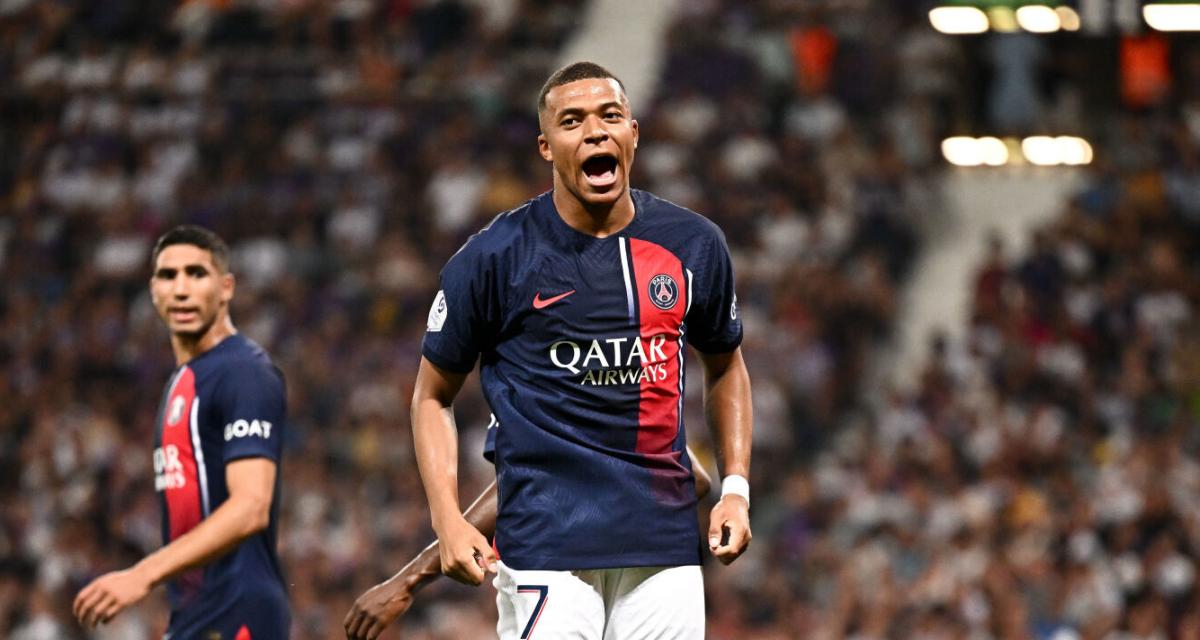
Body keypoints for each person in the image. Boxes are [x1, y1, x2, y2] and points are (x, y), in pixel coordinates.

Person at [409, 61, 753, 639]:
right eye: (572, 121)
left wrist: (735, 490)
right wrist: (447, 520)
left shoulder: (694, 244)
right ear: (546, 147)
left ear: (633, 133)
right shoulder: (494, 258)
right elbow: (431, 396)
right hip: (546, 547)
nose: (595, 132)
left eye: (609, 116)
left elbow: (726, 366)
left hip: (663, 545)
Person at [73, 225, 290, 639]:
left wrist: (143, 574)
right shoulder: (183, 380)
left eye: (196, 273)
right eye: (168, 276)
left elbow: (251, 506)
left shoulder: (243, 372)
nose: (182, 289)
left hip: (236, 610)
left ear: (226, 288)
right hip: (198, 612)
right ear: (153, 290)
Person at [343, 444, 712, 639]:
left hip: (572, 567)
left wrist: (409, 579)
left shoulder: (538, 365)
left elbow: (692, 477)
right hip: (626, 564)